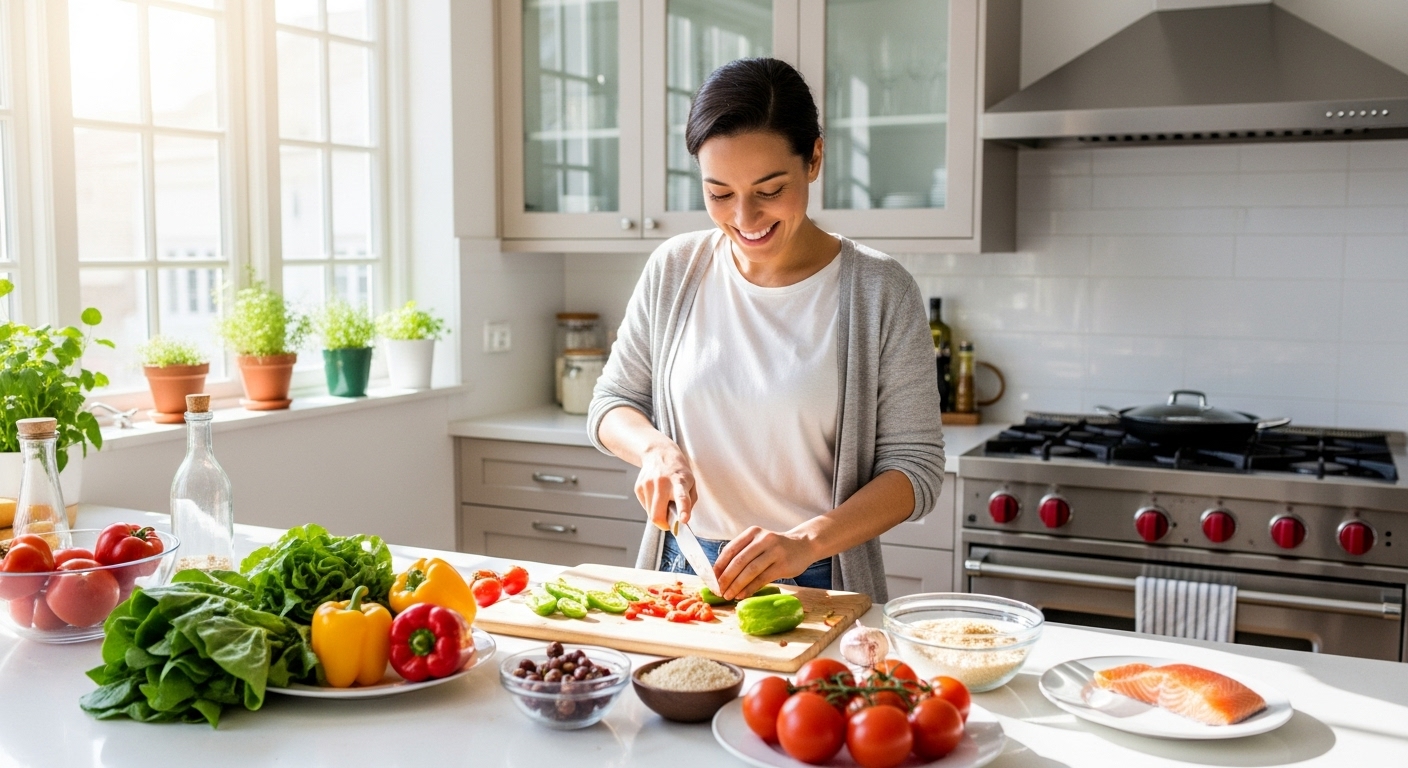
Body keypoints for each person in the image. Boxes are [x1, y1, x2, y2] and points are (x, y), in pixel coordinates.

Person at [587, 58, 944, 603]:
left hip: (818, 578)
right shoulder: (675, 268)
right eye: (719, 193)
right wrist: (654, 448)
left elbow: (915, 471)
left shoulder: (880, 289)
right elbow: (612, 403)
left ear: (814, 159)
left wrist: (804, 543)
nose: (745, 217)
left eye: (770, 189)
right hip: (684, 571)